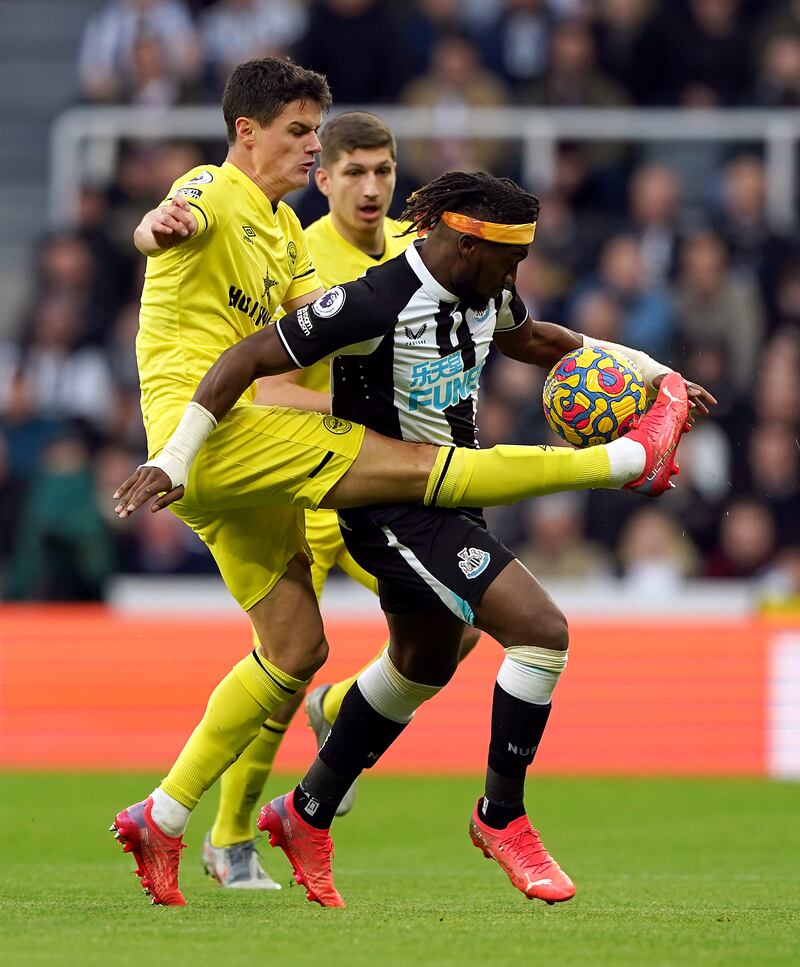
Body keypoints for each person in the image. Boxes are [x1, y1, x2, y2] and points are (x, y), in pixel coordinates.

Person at [111, 156, 707, 908]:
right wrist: (175, 456)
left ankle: (306, 811)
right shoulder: (377, 299)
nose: (519, 269)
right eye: (511, 255)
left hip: (449, 505)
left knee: (424, 660)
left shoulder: (486, 286)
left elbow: (538, 340)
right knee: (541, 630)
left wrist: (654, 374)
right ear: (466, 245)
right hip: (390, 511)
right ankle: (502, 815)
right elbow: (248, 356)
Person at [202, 111, 481, 890]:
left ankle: (347, 708)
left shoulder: (411, 252)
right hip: (310, 480)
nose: (369, 187)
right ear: (320, 178)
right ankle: (230, 839)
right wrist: (348, 427)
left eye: (383, 172)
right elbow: (270, 386)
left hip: (383, 485)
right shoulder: (300, 250)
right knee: (283, 665)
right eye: (352, 172)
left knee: (459, 621)